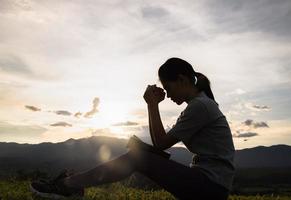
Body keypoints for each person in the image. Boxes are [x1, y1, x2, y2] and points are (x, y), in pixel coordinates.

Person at [30, 57, 235, 200]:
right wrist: (152, 106)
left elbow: (161, 142)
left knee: (139, 157)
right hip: (210, 186)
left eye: (168, 88)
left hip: (210, 188)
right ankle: (72, 184)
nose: (169, 95)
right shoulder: (199, 104)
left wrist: (152, 105)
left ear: (182, 79)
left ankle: (68, 186)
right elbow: (160, 142)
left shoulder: (200, 106)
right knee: (139, 154)